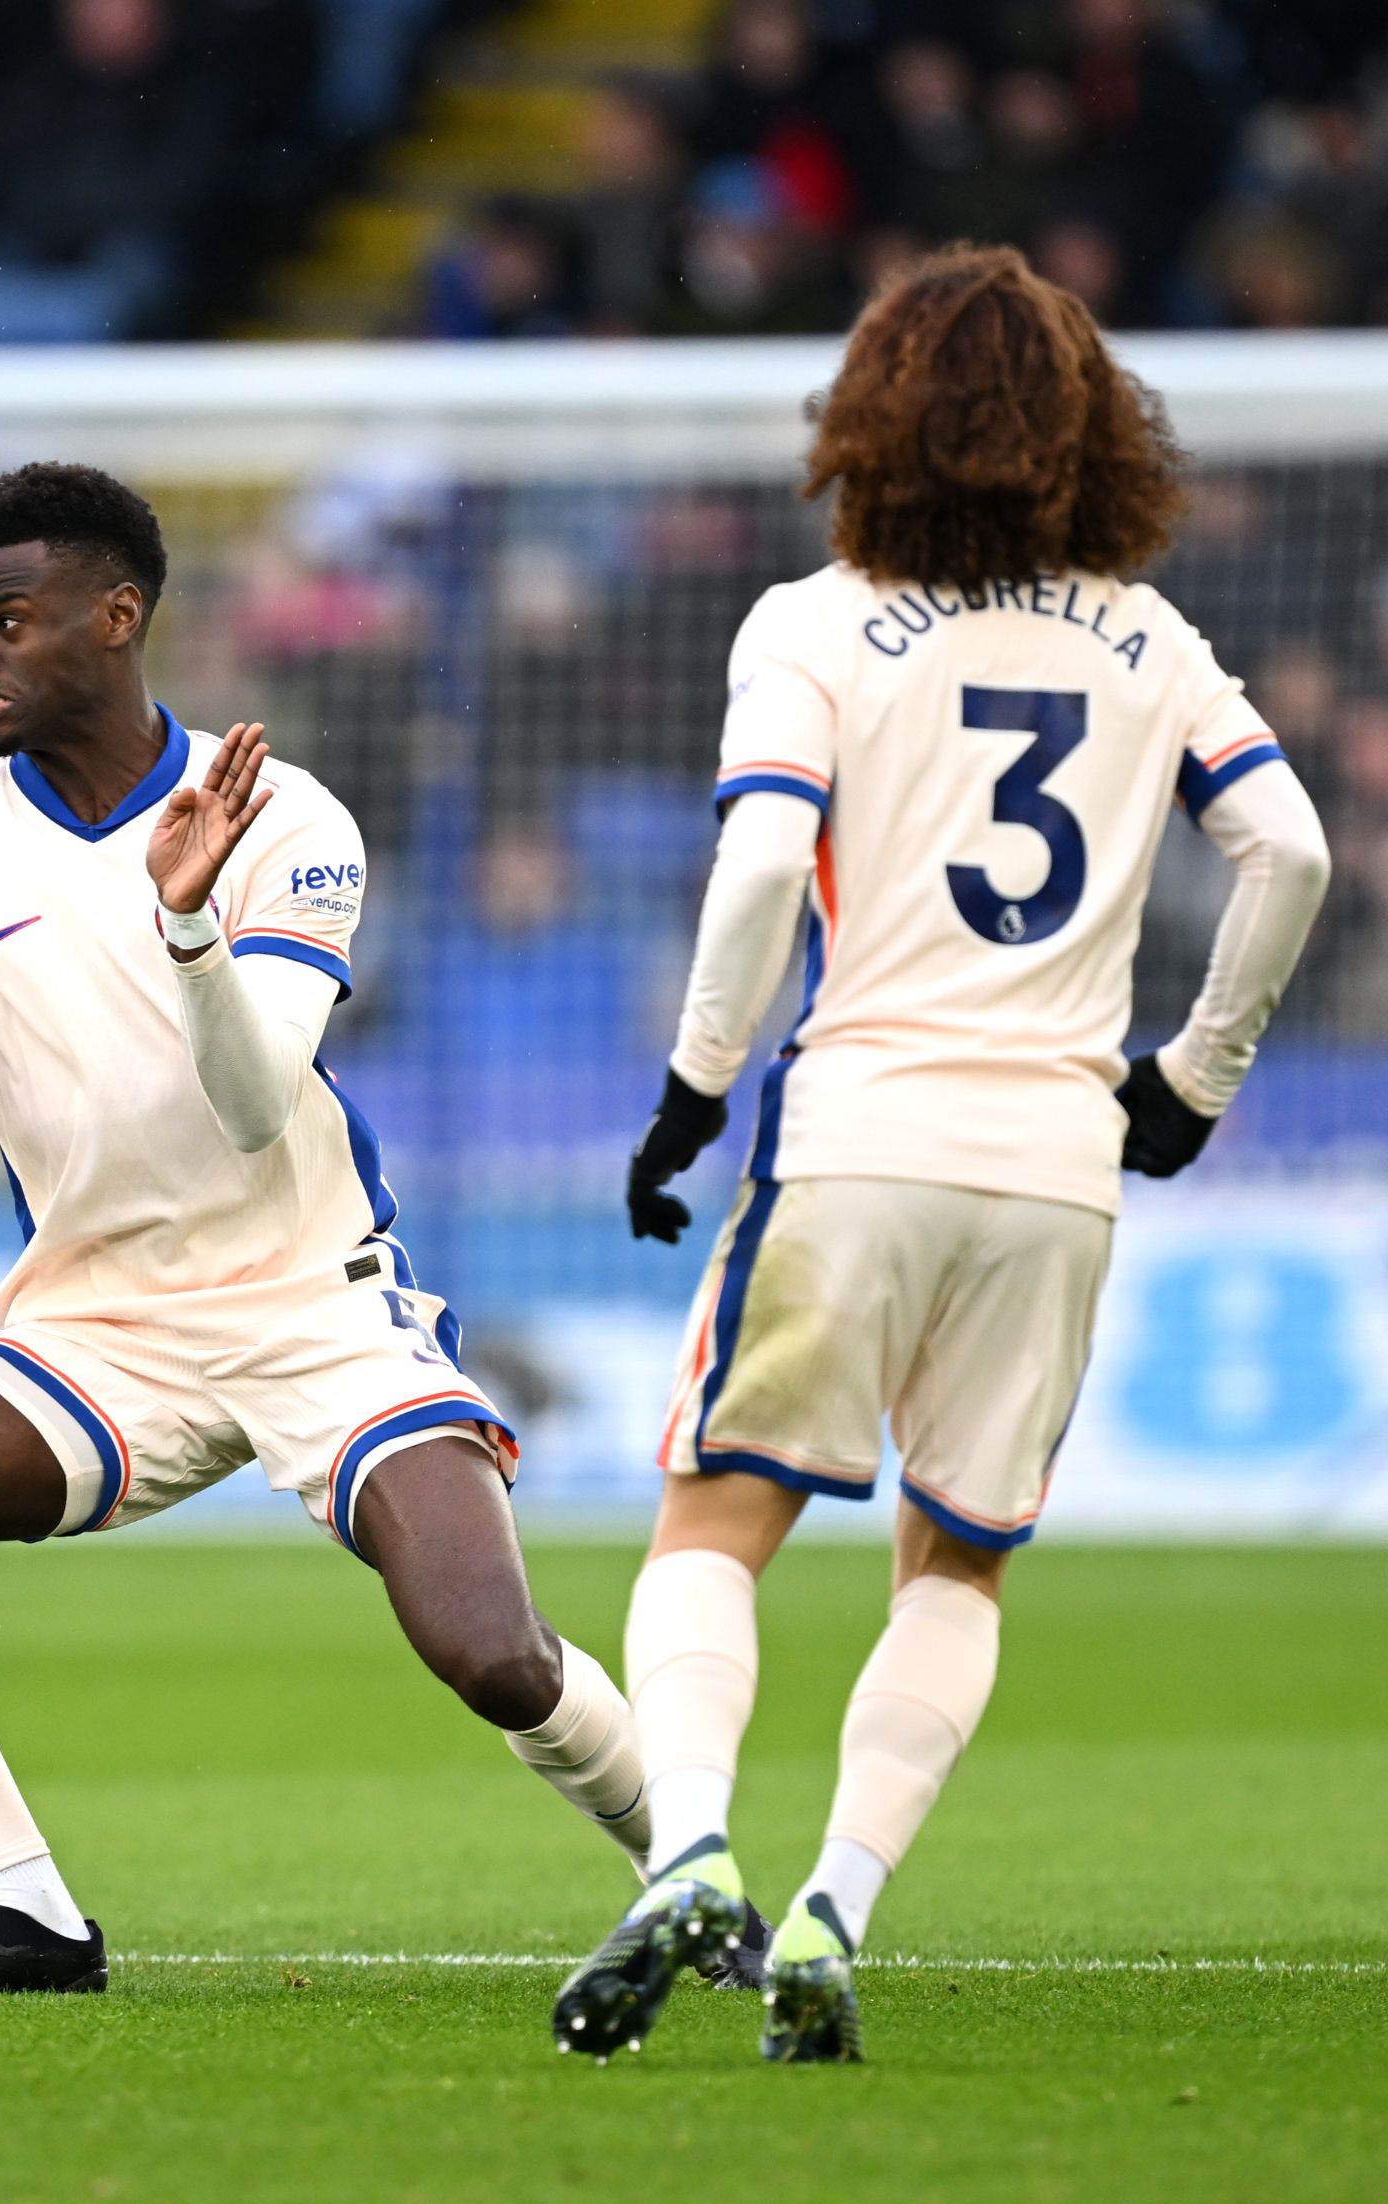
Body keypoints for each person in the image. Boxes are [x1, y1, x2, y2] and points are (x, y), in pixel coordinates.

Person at [0, 463, 667, 1995]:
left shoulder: (279, 814)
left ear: (117, 621)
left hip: (317, 1300)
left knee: (492, 1654)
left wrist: (186, 926)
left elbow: (256, 1105)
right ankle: (34, 1914)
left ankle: (688, 1876)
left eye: (8, 619)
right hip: (98, 1327)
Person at [563, 246, 1330, 2065]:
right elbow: (1291, 851)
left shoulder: (812, 621)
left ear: (871, 413)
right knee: (956, 1567)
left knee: (715, 1521)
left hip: (861, 1138)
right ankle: (835, 1902)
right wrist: (1194, 1079)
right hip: (1058, 1163)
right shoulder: (1152, 639)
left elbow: (762, 871)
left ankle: (687, 1851)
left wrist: (690, 1089)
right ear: (1088, 426)